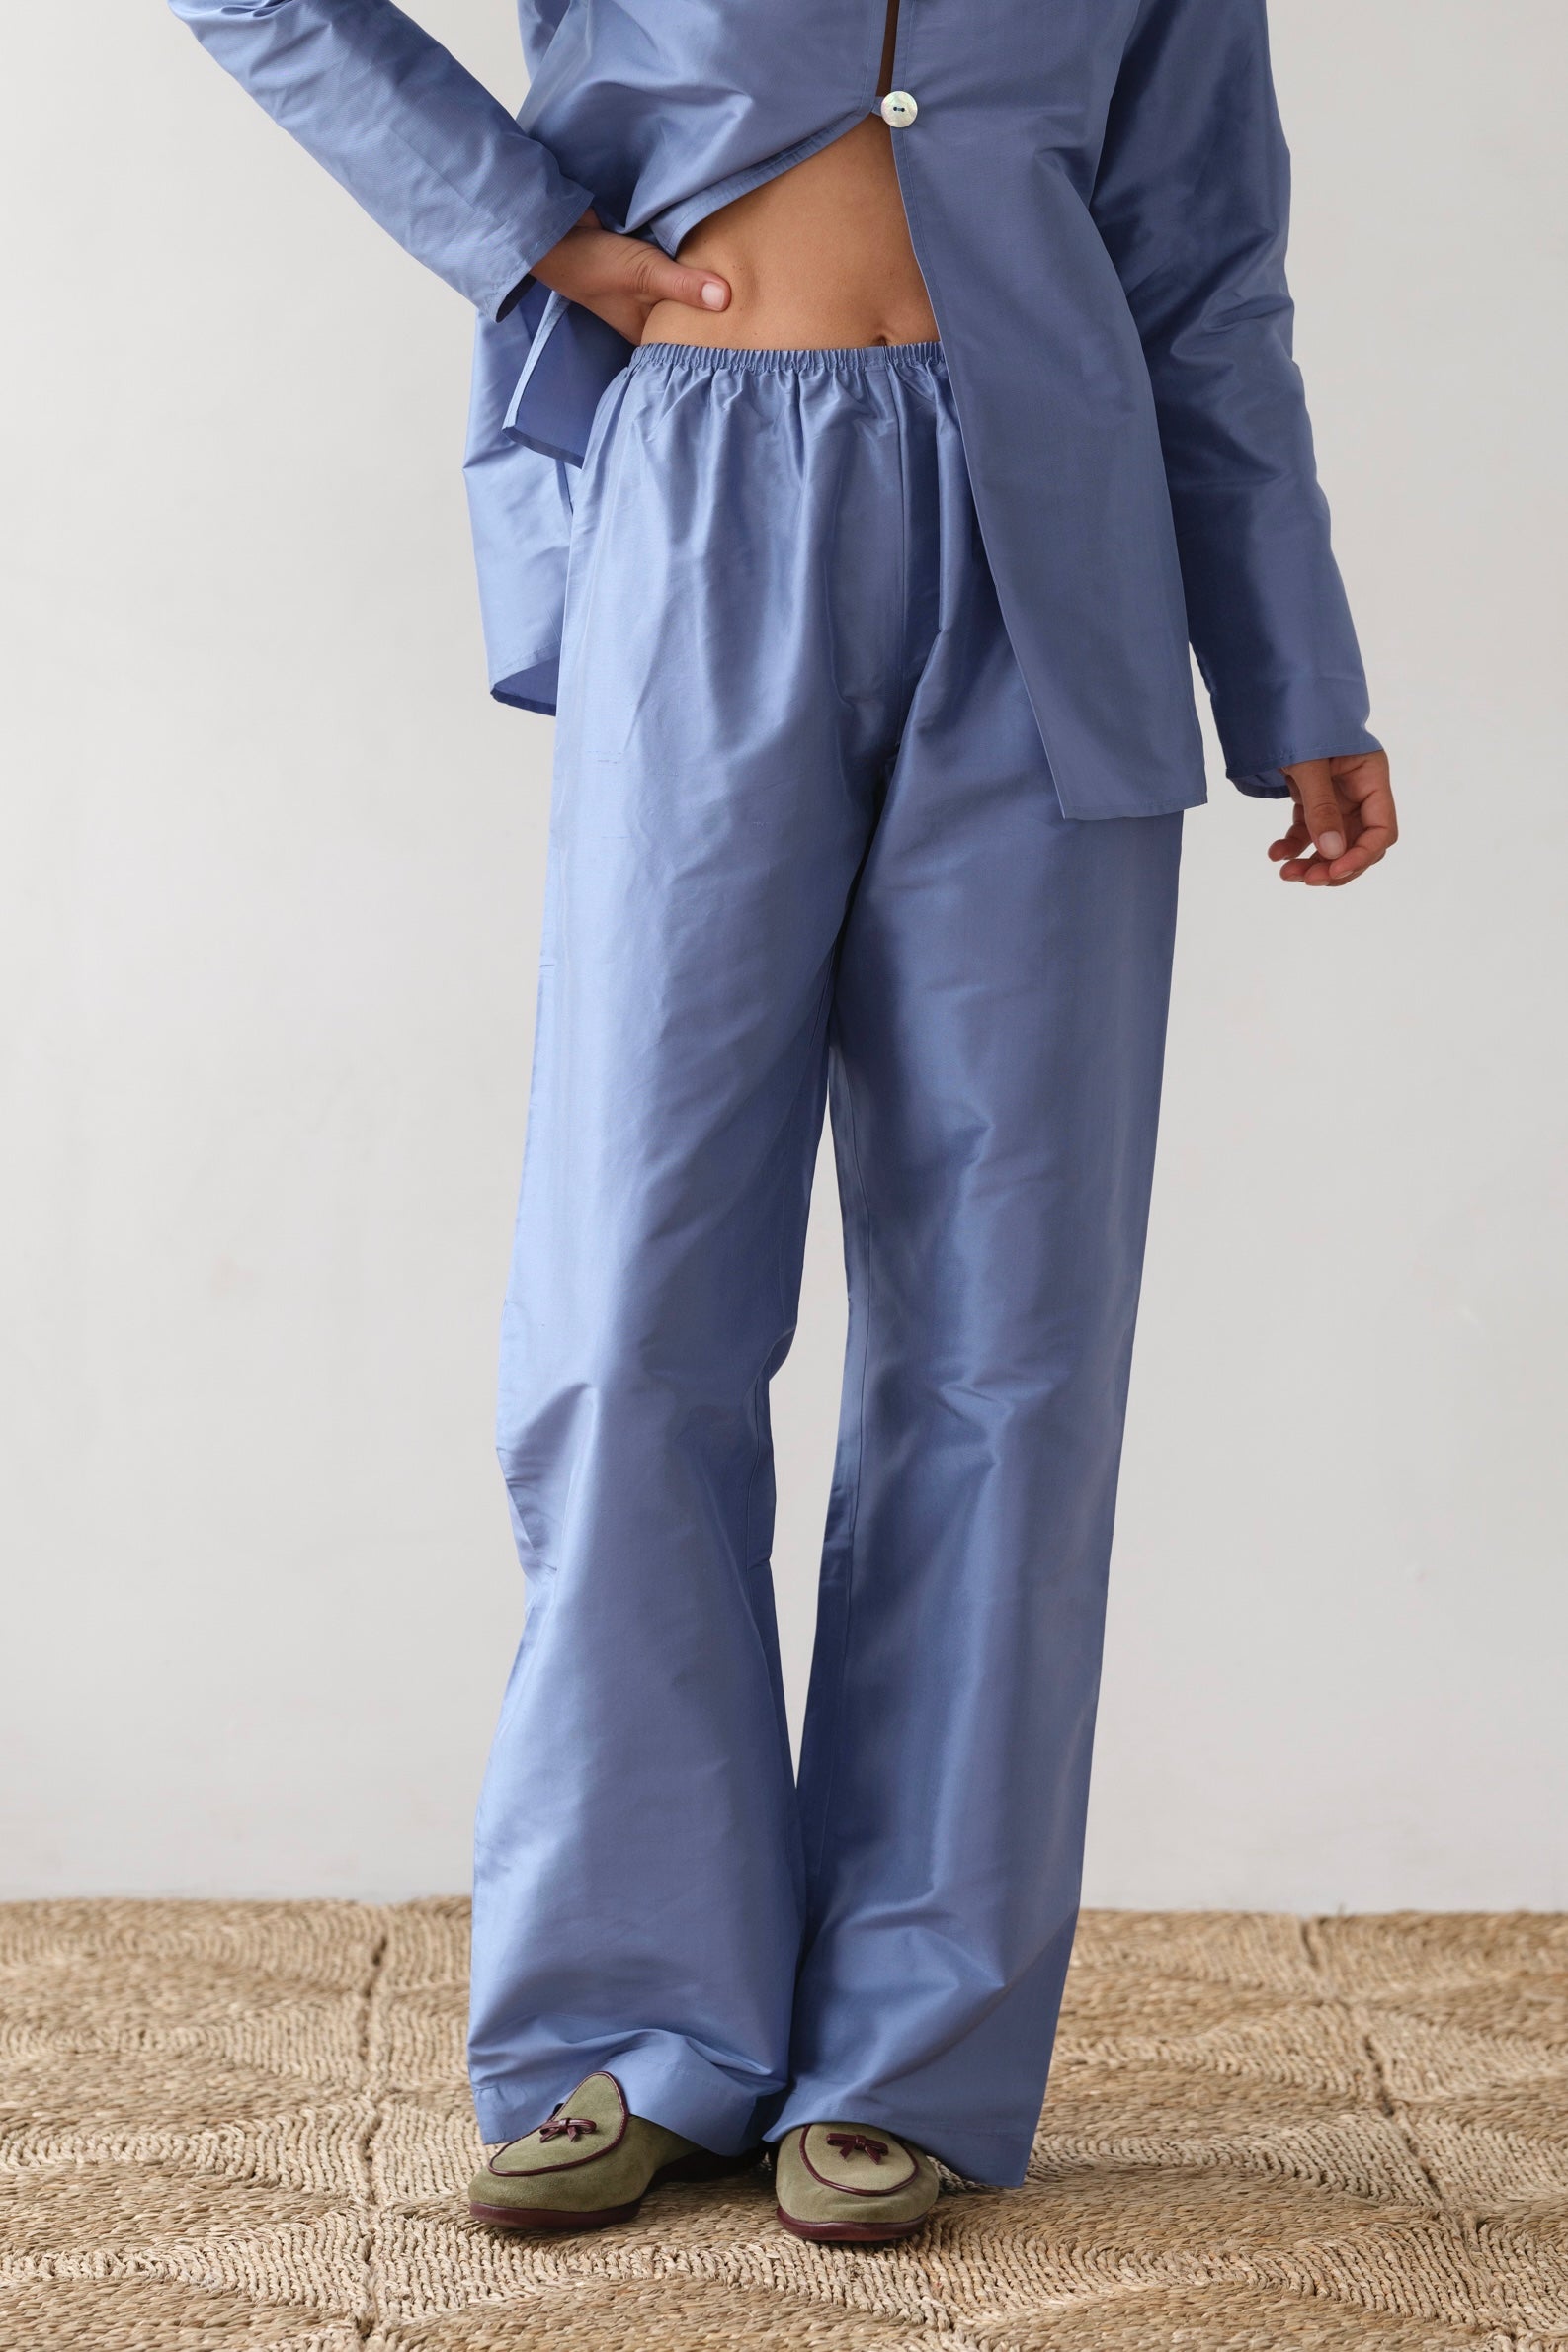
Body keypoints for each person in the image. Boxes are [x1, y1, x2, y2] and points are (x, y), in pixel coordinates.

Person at [166, 0, 1398, 2247]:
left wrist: (1290, 663)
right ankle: (633, 2022)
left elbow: (1204, 261)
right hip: (706, 504)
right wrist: (521, 225)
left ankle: (911, 2046)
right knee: (628, 1319)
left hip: (1060, 552)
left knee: (1008, 1351)